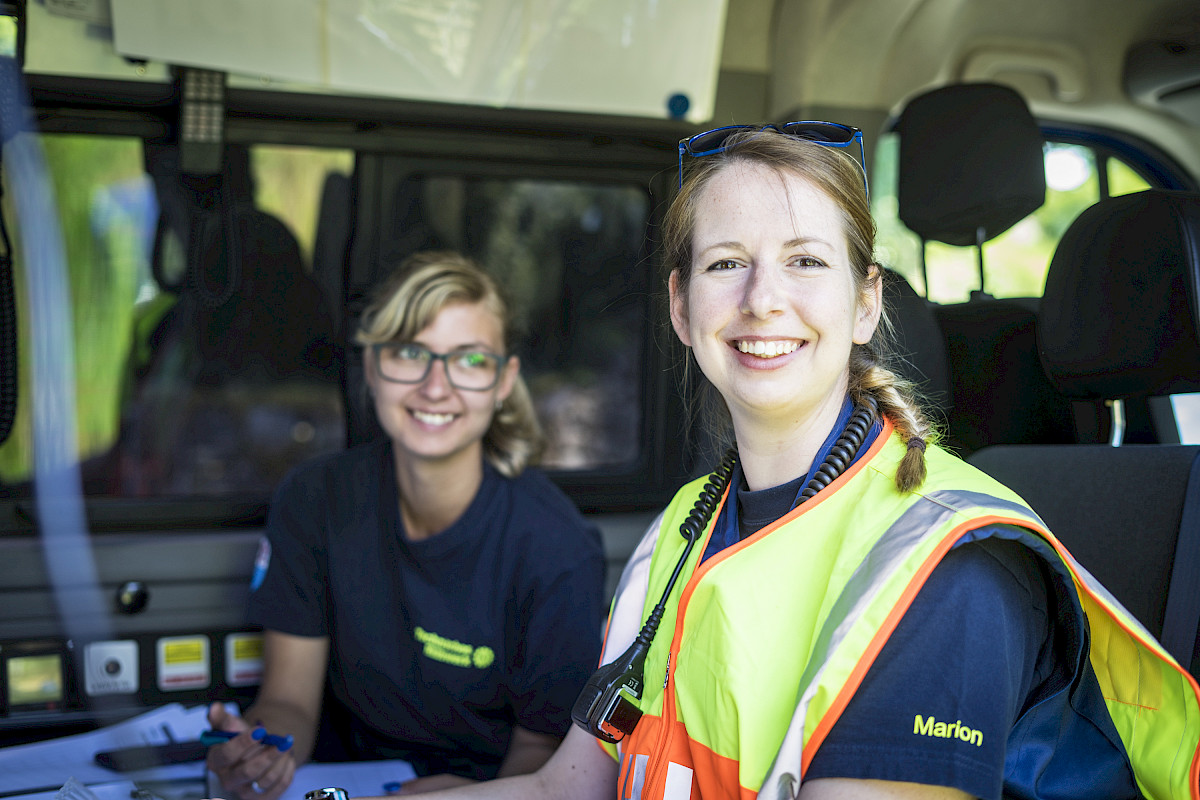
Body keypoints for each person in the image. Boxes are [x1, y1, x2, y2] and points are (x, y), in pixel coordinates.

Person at [210, 127, 1200, 800]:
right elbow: (569, 787)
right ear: (684, 309)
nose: (763, 298)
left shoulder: (945, 563)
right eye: (728, 262)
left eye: (806, 260)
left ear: (866, 304)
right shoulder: (690, 522)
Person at [205, 251, 606, 799]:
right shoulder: (315, 500)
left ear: (503, 380)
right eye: (411, 353)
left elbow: (543, 756)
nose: (435, 387)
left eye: (468, 361)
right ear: (371, 367)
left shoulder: (555, 547)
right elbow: (288, 702)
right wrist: (261, 751)